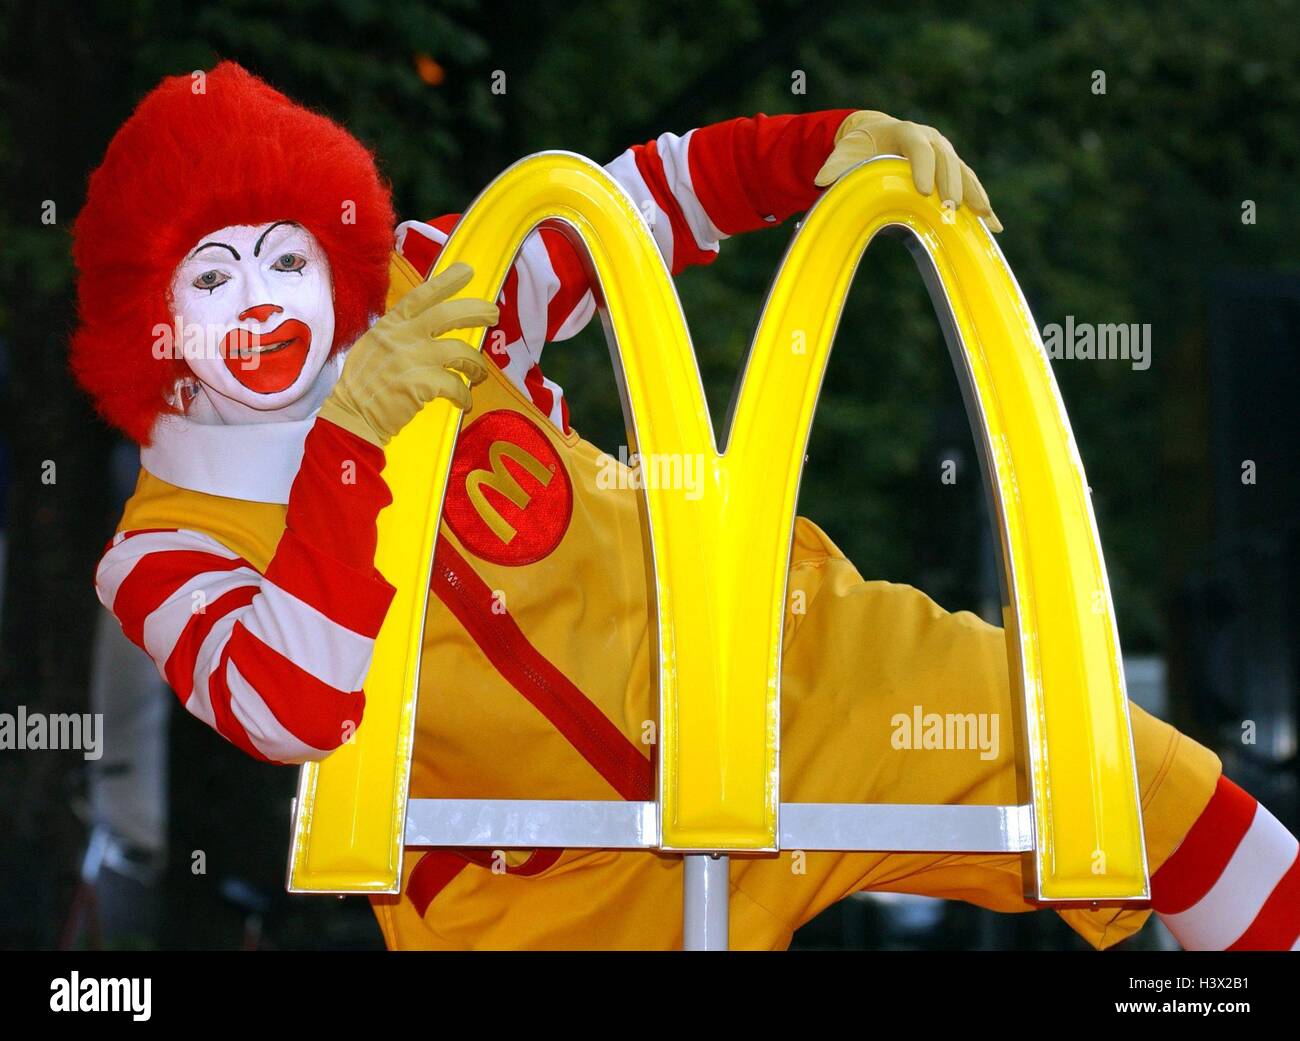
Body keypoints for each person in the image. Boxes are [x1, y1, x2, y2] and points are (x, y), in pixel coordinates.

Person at [73, 62, 1297, 950]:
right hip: (535, 876)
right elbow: (291, 708)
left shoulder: (434, 282)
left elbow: (631, 208)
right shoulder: (168, 548)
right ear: (157, 319)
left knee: (1178, 806)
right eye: (214, 274)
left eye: (285, 256)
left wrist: (810, 151)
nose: (266, 301)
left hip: (788, 682)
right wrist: (353, 448)